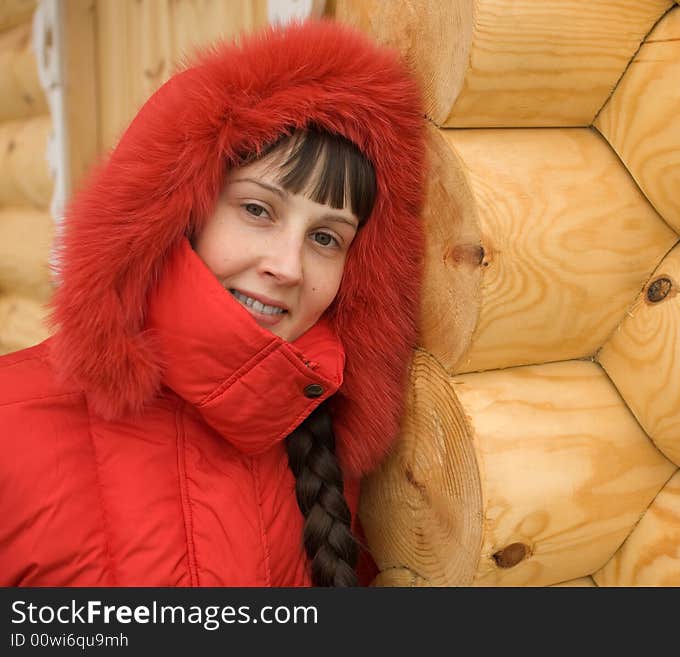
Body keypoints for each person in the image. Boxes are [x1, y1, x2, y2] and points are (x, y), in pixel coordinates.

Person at [0, 20, 425, 586]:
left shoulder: (324, 452)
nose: (288, 266)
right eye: (257, 210)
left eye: (326, 238)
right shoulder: (12, 423)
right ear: (176, 212)